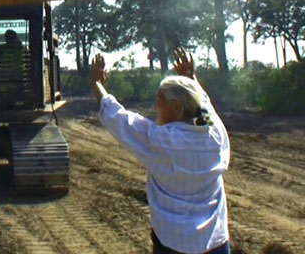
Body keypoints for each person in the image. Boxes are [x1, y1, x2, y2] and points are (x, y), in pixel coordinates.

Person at [88, 48, 230, 254]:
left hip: (174, 244)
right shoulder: (214, 134)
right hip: (217, 243)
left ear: (177, 108)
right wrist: (190, 78)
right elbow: (203, 107)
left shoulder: (161, 141)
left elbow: (118, 117)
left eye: (159, 102)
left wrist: (97, 84)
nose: (155, 108)